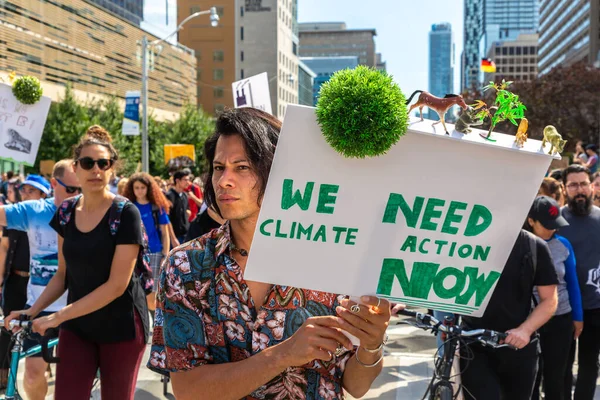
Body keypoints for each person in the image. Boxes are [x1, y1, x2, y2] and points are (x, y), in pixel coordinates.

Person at [147, 107, 391, 399]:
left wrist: (371, 345)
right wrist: (283, 354)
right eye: (218, 167)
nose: (224, 180)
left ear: (278, 172)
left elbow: (356, 384)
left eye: (242, 167)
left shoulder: (332, 258)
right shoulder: (185, 266)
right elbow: (188, 390)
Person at [5, 126, 148, 400]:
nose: (95, 169)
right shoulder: (67, 212)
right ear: (76, 168)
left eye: (103, 163)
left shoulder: (126, 213)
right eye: (87, 163)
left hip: (122, 326)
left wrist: (57, 317)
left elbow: (117, 285)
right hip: (78, 325)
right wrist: (32, 311)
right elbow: (62, 275)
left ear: (112, 169)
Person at [0, 162, 79, 400]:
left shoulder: (90, 210)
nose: (77, 195)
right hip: (39, 306)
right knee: (33, 375)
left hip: (78, 306)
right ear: (53, 184)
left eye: (81, 189)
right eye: (72, 189)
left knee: (73, 376)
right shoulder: (34, 210)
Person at [460, 228, 558, 400]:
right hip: (475, 345)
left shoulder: (534, 246)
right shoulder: (464, 241)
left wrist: (525, 330)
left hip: (518, 347)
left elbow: (550, 300)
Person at [526, 196, 583, 400]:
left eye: (555, 224)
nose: (552, 229)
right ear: (531, 221)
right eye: (546, 225)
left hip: (561, 318)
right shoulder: (521, 244)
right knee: (531, 375)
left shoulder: (563, 244)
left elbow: (572, 282)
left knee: (556, 377)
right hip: (528, 321)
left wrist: (578, 316)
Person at [559, 164, 600, 400]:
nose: (580, 189)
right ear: (565, 189)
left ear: (591, 186)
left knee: (589, 365)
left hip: (595, 306)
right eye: (573, 185)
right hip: (562, 308)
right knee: (561, 367)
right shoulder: (555, 221)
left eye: (583, 183)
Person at [123, 172, 171, 318]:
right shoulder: (128, 207)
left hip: (155, 253)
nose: (139, 191)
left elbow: (165, 233)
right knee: (135, 292)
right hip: (134, 254)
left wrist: (165, 254)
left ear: (148, 188)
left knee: (152, 294)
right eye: (136, 187)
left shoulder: (157, 207)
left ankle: (155, 324)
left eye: (142, 187)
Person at [0, 179, 32, 388]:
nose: (26, 193)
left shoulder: (51, 218)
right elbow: (4, 249)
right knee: (7, 326)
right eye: (23, 190)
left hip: (41, 283)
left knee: (39, 328)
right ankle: (3, 375)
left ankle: (42, 366)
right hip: (14, 279)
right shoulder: (13, 218)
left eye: (32, 191)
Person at [166, 169, 191, 246]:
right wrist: (173, 238)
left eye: (188, 180)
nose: (188, 182)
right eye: (185, 180)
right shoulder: (169, 196)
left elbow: (188, 210)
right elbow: (166, 219)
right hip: (174, 237)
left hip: (185, 235)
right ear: (177, 180)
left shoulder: (184, 195)